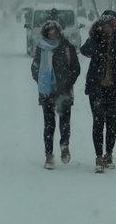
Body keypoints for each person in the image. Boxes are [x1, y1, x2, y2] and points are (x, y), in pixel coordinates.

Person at [80, 10, 116, 173]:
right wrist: (96, 33)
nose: (108, 27)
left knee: (111, 122)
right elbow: (85, 50)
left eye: (112, 23)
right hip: (96, 87)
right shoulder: (96, 37)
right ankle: (98, 157)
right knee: (98, 122)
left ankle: (109, 154)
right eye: (106, 23)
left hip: (115, 86)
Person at [31, 20, 81, 170]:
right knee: (49, 124)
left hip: (64, 91)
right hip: (46, 92)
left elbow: (75, 68)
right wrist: (42, 82)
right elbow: (35, 67)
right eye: (49, 31)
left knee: (65, 122)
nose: (52, 34)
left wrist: (67, 82)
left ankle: (64, 146)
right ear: (45, 33)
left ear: (58, 32)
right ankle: (49, 155)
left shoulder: (66, 47)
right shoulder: (41, 48)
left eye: (54, 31)